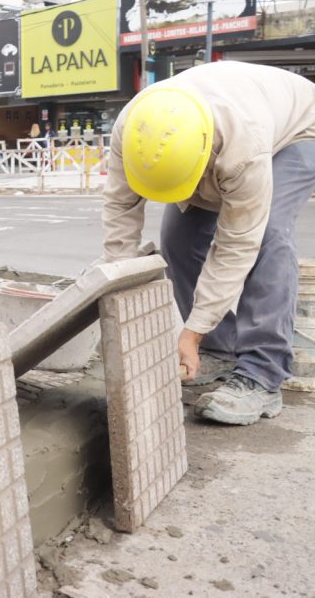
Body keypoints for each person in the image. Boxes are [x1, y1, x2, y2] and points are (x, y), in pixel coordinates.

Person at [101, 61, 315, 426]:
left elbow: (237, 245)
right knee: (177, 238)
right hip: (231, 122)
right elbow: (121, 209)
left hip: (298, 131)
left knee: (268, 233)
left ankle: (262, 371)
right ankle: (219, 347)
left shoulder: (243, 145)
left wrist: (193, 327)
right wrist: (116, 290)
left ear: (204, 159)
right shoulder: (133, 126)